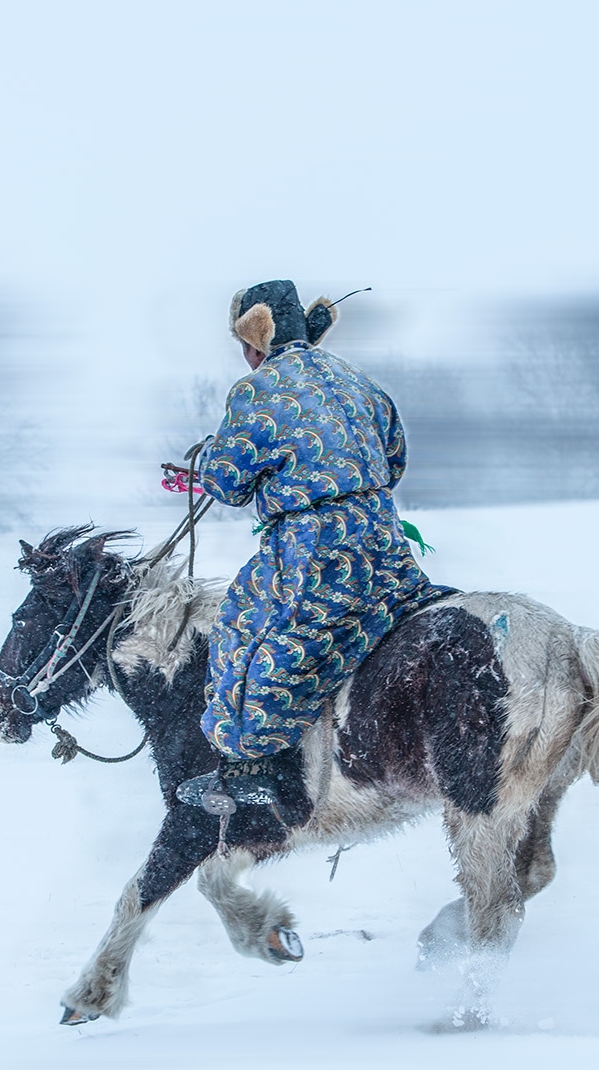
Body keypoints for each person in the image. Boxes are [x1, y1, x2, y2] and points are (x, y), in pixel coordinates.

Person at [175, 280, 450, 820]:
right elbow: (394, 462)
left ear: (255, 338)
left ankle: (253, 767)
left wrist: (204, 461)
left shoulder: (255, 390)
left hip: (313, 550)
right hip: (385, 541)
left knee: (243, 626)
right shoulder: (358, 380)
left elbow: (229, 482)